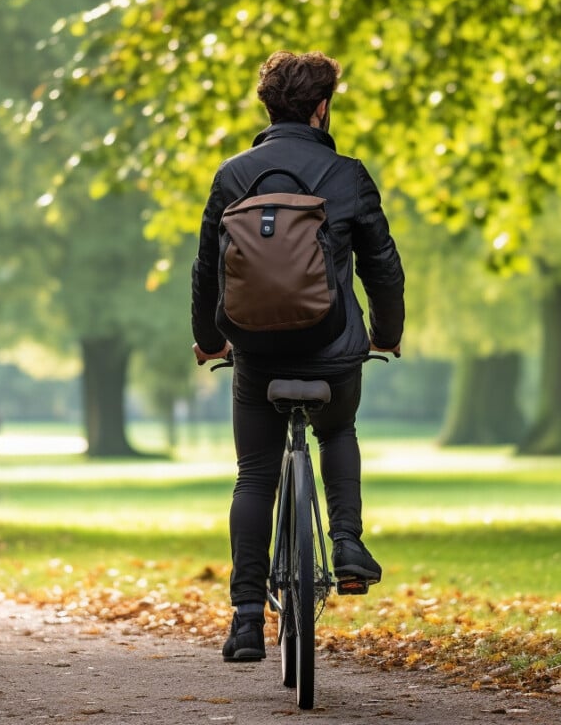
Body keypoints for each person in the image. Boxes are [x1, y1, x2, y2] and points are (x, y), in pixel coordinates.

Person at [191, 50, 406, 663]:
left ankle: (244, 619)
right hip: (333, 353)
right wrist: (385, 334)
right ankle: (347, 547)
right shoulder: (347, 174)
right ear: (322, 106)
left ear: (267, 106)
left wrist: (211, 339)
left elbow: (207, 270)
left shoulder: (232, 176)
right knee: (337, 430)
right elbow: (383, 267)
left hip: (256, 356)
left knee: (256, 473)